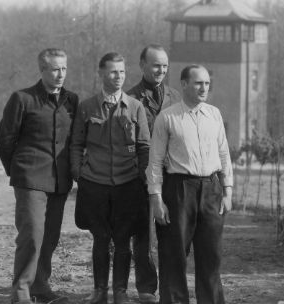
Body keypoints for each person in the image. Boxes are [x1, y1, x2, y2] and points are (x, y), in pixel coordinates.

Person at [0, 48, 78, 304]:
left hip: (59, 181)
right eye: (54, 69)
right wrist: (19, 172)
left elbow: (74, 140)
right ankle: (21, 290)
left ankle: (41, 287)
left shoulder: (72, 100)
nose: (60, 74)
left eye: (64, 68)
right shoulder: (22, 99)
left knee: (50, 236)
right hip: (30, 179)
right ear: (42, 70)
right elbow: (4, 140)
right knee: (31, 234)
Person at [146, 65, 233, 304]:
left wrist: (227, 190)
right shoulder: (168, 117)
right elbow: (154, 161)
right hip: (178, 189)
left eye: (206, 83)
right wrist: (156, 198)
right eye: (198, 83)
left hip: (211, 189)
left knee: (211, 255)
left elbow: (224, 154)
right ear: (184, 84)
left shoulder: (214, 114)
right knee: (174, 254)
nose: (204, 88)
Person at [70, 52, 151, 304]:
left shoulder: (135, 107)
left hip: (127, 185)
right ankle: (99, 291)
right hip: (94, 184)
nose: (119, 77)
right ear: (101, 73)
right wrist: (79, 174)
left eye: (123, 72)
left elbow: (144, 147)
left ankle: (120, 292)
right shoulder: (87, 107)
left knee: (123, 239)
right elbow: (76, 144)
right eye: (113, 72)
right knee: (100, 238)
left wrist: (141, 178)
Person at [127, 44, 182, 304]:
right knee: (144, 235)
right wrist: (143, 175)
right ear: (142, 65)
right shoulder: (130, 99)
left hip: (172, 175)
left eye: (164, 66)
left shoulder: (175, 97)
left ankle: (170, 288)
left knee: (172, 233)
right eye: (155, 65)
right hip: (142, 176)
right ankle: (147, 288)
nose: (161, 70)